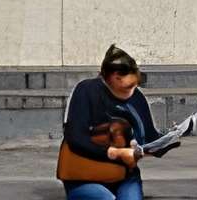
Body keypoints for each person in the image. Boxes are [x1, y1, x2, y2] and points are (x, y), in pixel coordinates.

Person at [59, 44, 162, 199]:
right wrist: (115, 153)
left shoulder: (137, 98)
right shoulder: (87, 90)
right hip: (85, 174)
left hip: (124, 175)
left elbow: (149, 137)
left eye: (134, 85)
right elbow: (76, 138)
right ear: (112, 78)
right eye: (127, 86)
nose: (131, 91)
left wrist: (169, 139)